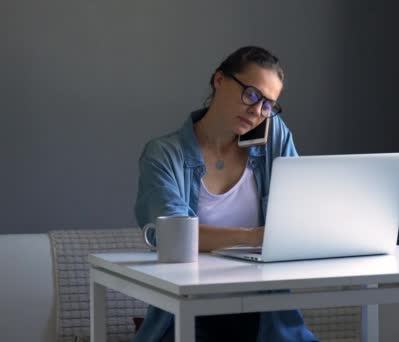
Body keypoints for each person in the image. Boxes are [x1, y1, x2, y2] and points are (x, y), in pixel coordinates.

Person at [133, 46, 318, 342]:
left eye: (268, 105)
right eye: (252, 95)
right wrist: (252, 236)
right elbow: (171, 235)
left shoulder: (274, 136)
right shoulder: (164, 154)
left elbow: (301, 211)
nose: (257, 112)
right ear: (219, 80)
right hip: (190, 310)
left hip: (267, 310)